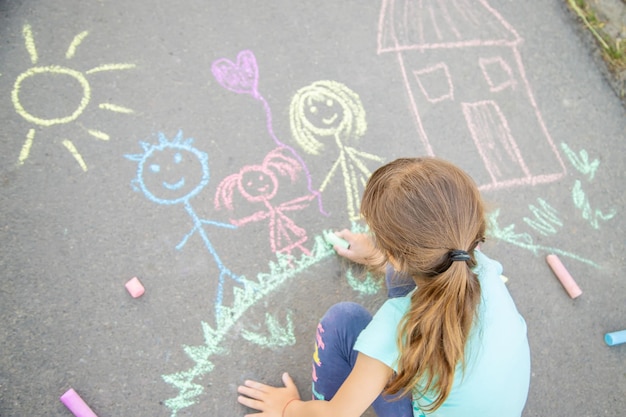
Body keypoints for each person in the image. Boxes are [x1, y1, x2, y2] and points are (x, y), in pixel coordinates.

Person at [236, 157, 531, 417]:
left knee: (343, 322)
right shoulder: (476, 264)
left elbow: (337, 415)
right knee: (400, 280)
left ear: (397, 256)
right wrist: (382, 256)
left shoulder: (395, 327)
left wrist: (288, 410)